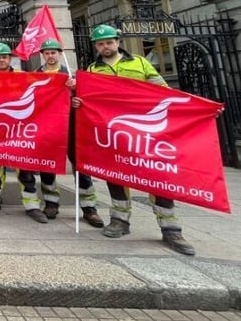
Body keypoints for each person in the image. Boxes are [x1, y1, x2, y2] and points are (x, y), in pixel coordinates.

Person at [73, 24, 194, 255]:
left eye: (109, 42)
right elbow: (86, 99)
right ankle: (120, 220)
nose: (105, 47)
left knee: (157, 174)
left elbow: (164, 90)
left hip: (145, 132)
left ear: (118, 42)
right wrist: (78, 102)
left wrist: (196, 106)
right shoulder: (92, 69)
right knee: (116, 174)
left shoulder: (140, 63)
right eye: (100, 44)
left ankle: (170, 228)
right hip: (114, 132)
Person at [34, 39, 104, 228]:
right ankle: (50, 203)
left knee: (80, 165)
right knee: (47, 165)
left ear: (59, 53)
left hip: (72, 125)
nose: (50, 56)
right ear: (42, 55)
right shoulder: (36, 76)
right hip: (48, 126)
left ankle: (89, 208)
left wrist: (76, 94)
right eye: (47, 53)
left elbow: (88, 100)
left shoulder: (72, 75)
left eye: (53, 52)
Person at [0, 43, 48, 223]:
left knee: (24, 168)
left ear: (10, 58)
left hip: (19, 130)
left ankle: (32, 205)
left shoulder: (23, 76)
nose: (1, 60)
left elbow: (40, 92)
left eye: (4, 56)